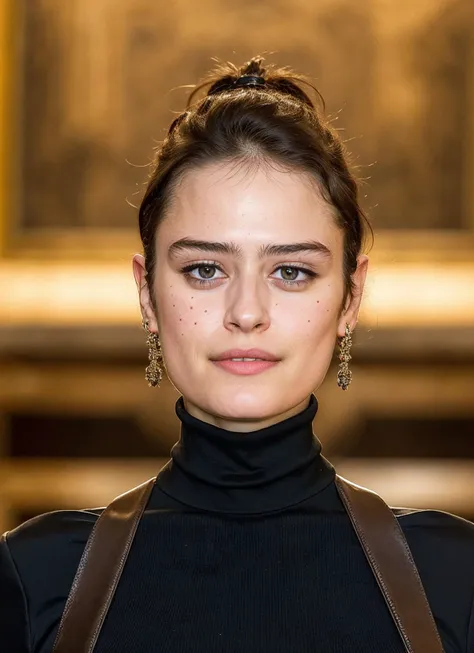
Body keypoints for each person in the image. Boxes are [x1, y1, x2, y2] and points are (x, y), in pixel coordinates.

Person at [1, 56, 473, 653]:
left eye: (292, 272)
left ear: (350, 298)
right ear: (147, 293)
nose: (246, 312)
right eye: (204, 269)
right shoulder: (34, 580)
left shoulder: (456, 583)